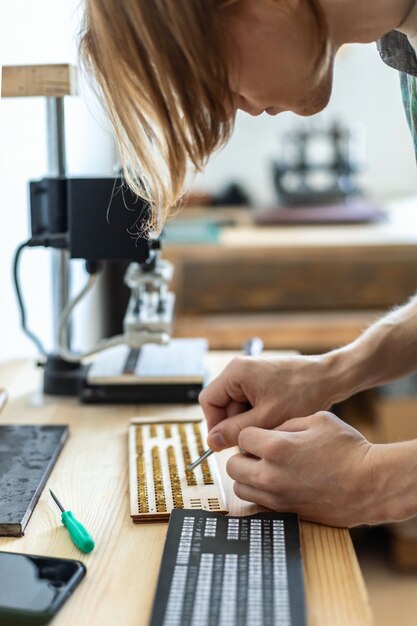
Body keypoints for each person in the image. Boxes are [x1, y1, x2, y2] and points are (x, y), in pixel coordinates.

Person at [81, 0, 417, 527]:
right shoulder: (407, 56)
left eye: (209, 72)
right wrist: (328, 373)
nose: (229, 105)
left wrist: (372, 481)